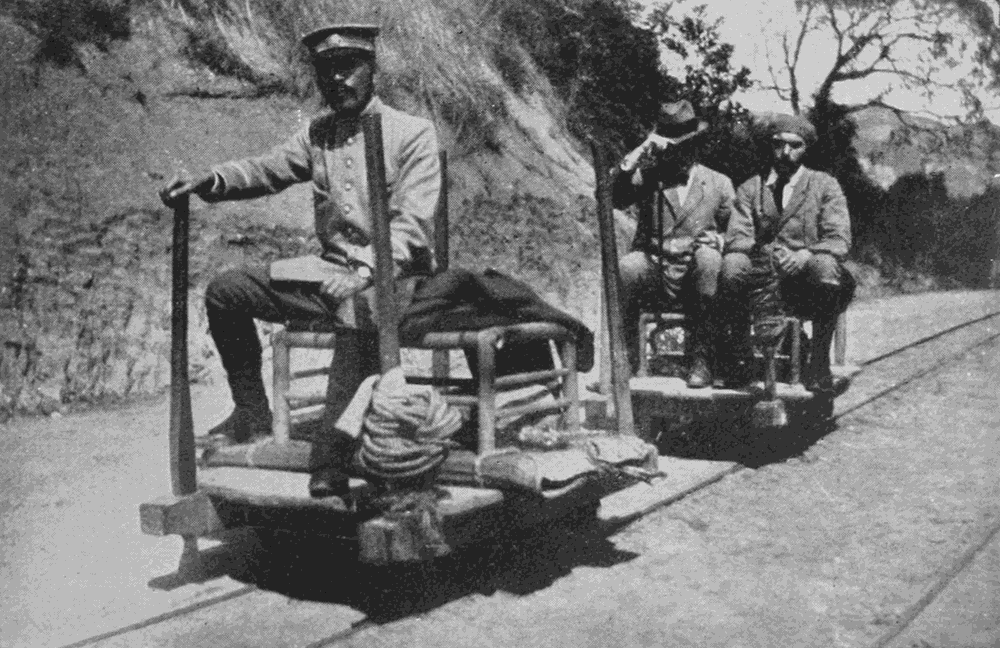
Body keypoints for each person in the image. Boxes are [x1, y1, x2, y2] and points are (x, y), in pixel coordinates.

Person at [159, 24, 441, 498]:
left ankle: (331, 457)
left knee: (357, 307)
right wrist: (210, 181)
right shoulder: (319, 134)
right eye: (327, 70)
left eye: (348, 67)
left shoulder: (412, 134)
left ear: (372, 69)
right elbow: (267, 168)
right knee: (227, 291)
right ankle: (251, 411)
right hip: (331, 274)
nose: (338, 79)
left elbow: (412, 227)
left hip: (399, 280)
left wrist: (365, 272)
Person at [719, 113, 855, 391]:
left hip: (804, 284)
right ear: (770, 146)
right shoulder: (751, 188)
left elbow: (839, 239)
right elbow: (737, 238)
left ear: (806, 149)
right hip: (762, 277)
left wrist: (805, 255)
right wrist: (770, 254)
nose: (785, 152)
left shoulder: (825, 186)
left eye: (795, 146)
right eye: (779, 144)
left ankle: (818, 362)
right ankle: (741, 357)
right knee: (732, 265)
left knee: (826, 266)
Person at [611, 100, 735, 388]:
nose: (679, 153)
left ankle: (702, 359)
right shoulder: (648, 177)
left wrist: (720, 239)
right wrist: (639, 151)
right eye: (673, 147)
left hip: (696, 272)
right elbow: (613, 196)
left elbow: (740, 230)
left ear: (697, 146)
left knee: (710, 260)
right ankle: (627, 357)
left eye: (686, 146)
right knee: (627, 267)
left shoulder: (719, 183)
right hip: (656, 265)